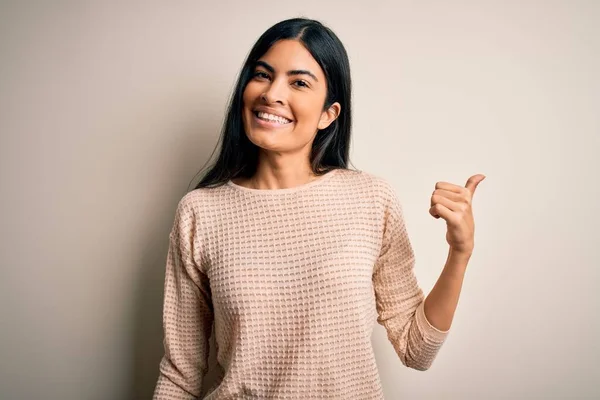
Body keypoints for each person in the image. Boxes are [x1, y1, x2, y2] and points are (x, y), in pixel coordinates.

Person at [153, 17, 485, 400]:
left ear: (329, 114)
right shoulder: (199, 212)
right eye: (262, 75)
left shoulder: (371, 199)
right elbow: (180, 375)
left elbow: (417, 349)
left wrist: (460, 253)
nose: (272, 93)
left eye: (298, 82)